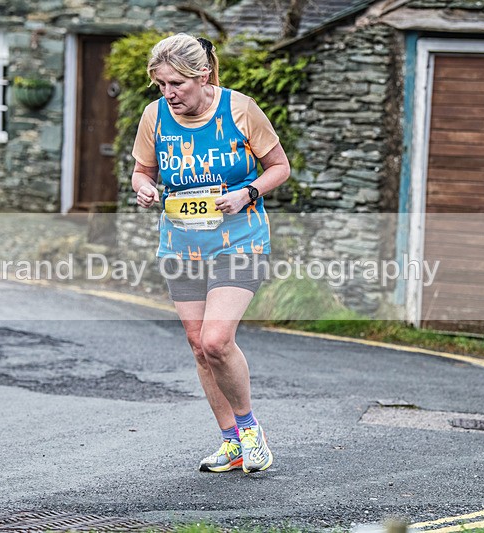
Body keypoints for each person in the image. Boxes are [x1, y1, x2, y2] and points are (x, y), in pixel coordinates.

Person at [131, 34, 290, 472]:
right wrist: (144, 187)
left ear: (202, 76)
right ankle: (230, 442)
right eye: (161, 84)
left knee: (218, 340)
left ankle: (251, 431)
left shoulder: (240, 109)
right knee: (199, 346)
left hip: (240, 240)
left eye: (177, 84)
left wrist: (247, 192)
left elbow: (280, 166)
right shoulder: (154, 115)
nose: (169, 94)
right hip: (181, 244)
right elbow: (141, 171)